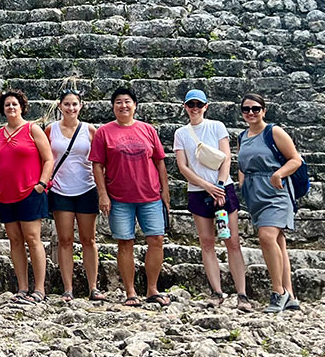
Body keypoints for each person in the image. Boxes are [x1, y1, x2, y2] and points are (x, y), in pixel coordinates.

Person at [89, 86, 171, 308]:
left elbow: (160, 161)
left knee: (156, 240)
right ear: (113, 107)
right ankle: (130, 291)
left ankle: (152, 288)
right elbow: (97, 165)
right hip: (119, 197)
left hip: (150, 194)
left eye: (127, 101)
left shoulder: (147, 130)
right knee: (125, 242)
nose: (123, 105)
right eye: (118, 102)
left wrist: (165, 190)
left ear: (135, 105)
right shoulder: (104, 132)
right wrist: (103, 195)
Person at [173, 88, 250, 311]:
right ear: (185, 107)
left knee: (232, 241)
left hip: (222, 189)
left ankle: (242, 294)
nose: (195, 109)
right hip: (199, 191)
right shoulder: (181, 133)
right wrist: (206, 186)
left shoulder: (217, 126)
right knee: (206, 242)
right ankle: (217, 291)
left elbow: (226, 158)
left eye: (199, 105)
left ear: (206, 106)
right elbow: (182, 166)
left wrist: (218, 185)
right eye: (191, 105)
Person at [237, 92, 303, 314]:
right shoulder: (243, 136)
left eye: (255, 108)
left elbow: (295, 159)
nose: (251, 113)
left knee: (266, 237)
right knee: (278, 243)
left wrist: (278, 174)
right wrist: (242, 182)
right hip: (255, 193)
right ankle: (291, 295)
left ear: (264, 110)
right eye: (246, 109)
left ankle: (278, 291)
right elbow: (242, 163)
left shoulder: (273, 131)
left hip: (276, 191)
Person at [0, 88, 53, 304]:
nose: (11, 108)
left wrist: (42, 184)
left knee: (33, 238)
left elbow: (48, 159)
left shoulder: (33, 129)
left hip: (29, 191)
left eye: (14, 104)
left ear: (22, 107)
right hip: (4, 193)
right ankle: (22, 287)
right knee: (14, 240)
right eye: (7, 105)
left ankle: (39, 288)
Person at [45, 79, 103, 302]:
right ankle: (67, 288)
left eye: (74, 104)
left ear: (81, 106)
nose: (70, 108)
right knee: (65, 239)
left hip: (87, 188)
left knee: (89, 239)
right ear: (60, 106)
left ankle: (93, 287)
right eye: (66, 104)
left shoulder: (90, 130)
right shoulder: (51, 130)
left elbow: (99, 161)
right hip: (60, 190)